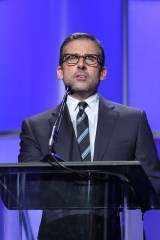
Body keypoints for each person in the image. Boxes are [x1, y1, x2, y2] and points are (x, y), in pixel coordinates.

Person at [18, 32, 160, 239]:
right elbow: (27, 190)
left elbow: (153, 184)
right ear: (60, 71)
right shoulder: (35, 127)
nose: (81, 64)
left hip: (117, 231)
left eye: (90, 59)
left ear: (103, 72)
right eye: (72, 58)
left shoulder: (133, 120)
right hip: (57, 234)